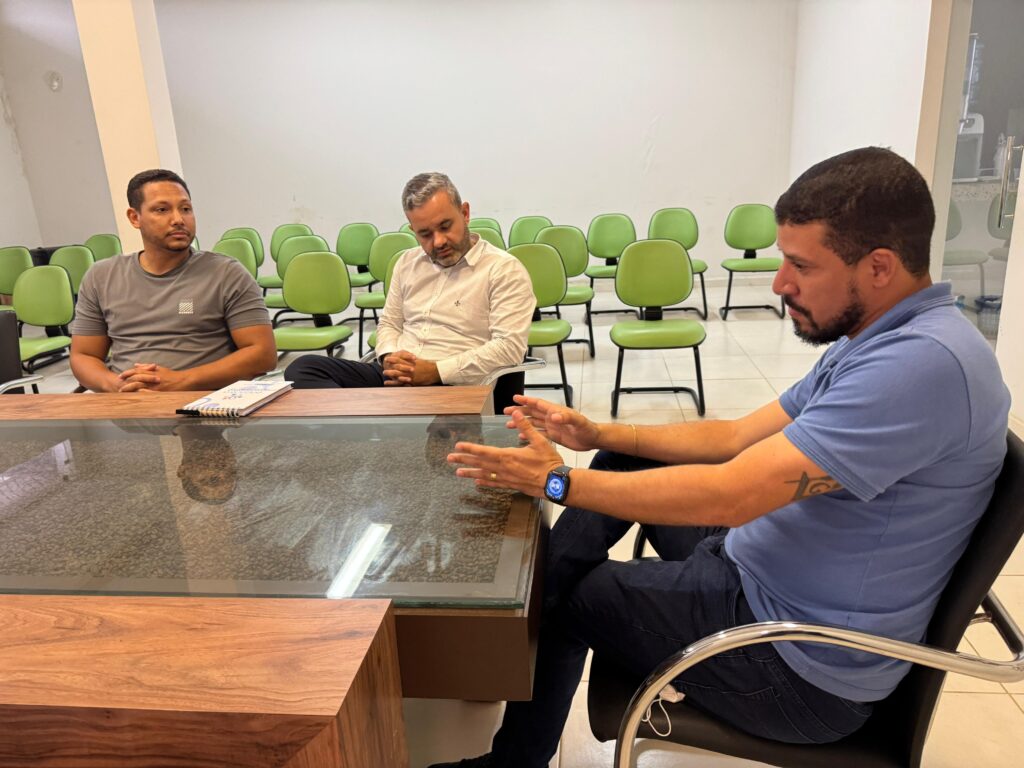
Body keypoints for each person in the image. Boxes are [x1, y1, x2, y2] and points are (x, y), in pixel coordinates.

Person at [437, 147, 1011, 768]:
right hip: (765, 567)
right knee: (629, 461)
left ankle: (515, 738)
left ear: (878, 267)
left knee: (584, 598)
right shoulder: (880, 338)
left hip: (796, 662)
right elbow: (737, 437)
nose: (780, 283)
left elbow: (732, 494)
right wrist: (600, 433)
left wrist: (556, 483)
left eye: (800, 265)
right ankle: (527, 611)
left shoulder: (920, 367)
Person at [284, 172, 534, 391]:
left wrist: (435, 371)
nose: (438, 241)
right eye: (425, 234)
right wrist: (389, 357)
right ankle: (367, 416)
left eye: (445, 226)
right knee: (303, 369)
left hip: (454, 383)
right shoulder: (407, 263)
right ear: (413, 231)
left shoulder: (503, 269)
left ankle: (371, 417)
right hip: (397, 378)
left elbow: (509, 347)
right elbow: (390, 323)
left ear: (465, 213)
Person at [70, 169, 276, 392]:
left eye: (186, 209)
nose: (178, 219)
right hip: (126, 403)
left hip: (206, 403)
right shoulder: (101, 277)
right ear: (134, 217)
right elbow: (84, 355)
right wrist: (118, 386)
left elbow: (262, 354)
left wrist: (180, 381)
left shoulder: (226, 274)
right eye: (162, 210)